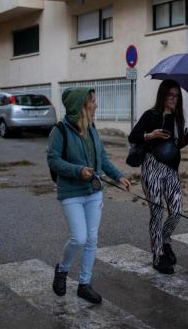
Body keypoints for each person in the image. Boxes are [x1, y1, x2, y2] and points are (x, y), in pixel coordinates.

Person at [47, 87, 131, 304]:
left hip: (94, 191)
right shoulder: (60, 131)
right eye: (92, 101)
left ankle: (85, 284)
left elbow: (101, 156)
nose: (96, 105)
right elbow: (53, 160)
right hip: (71, 193)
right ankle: (63, 269)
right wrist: (78, 170)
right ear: (80, 107)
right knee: (79, 238)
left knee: (92, 239)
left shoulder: (92, 128)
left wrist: (118, 176)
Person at [128, 79, 188, 274]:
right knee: (157, 213)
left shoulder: (177, 119)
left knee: (176, 210)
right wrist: (151, 135)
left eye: (176, 96)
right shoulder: (151, 115)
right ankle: (158, 255)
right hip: (152, 167)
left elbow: (177, 144)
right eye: (170, 95)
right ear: (163, 95)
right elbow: (132, 136)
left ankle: (165, 239)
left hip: (171, 170)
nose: (173, 99)